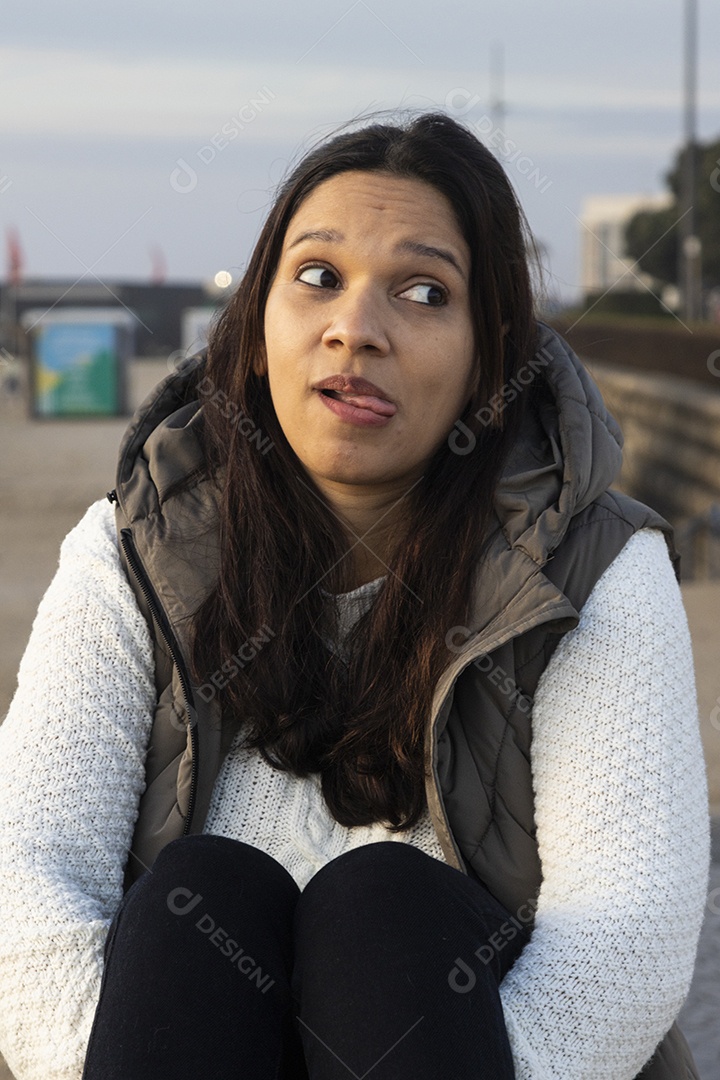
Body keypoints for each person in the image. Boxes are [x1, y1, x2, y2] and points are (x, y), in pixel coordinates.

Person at [0, 112, 710, 1080]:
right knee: (200, 898)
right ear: (253, 332)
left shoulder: (592, 568)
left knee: (381, 904)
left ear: (487, 357)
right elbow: (24, 877)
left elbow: (627, 932)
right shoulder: (133, 550)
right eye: (318, 277)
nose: (355, 329)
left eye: (423, 292)